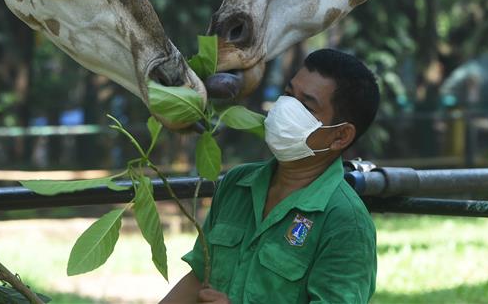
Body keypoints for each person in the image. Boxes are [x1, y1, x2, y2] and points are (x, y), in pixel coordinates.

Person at [161, 49, 380, 304]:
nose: (286, 107)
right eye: (288, 94)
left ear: (340, 136)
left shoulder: (345, 221)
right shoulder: (238, 183)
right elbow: (199, 277)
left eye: (306, 106)